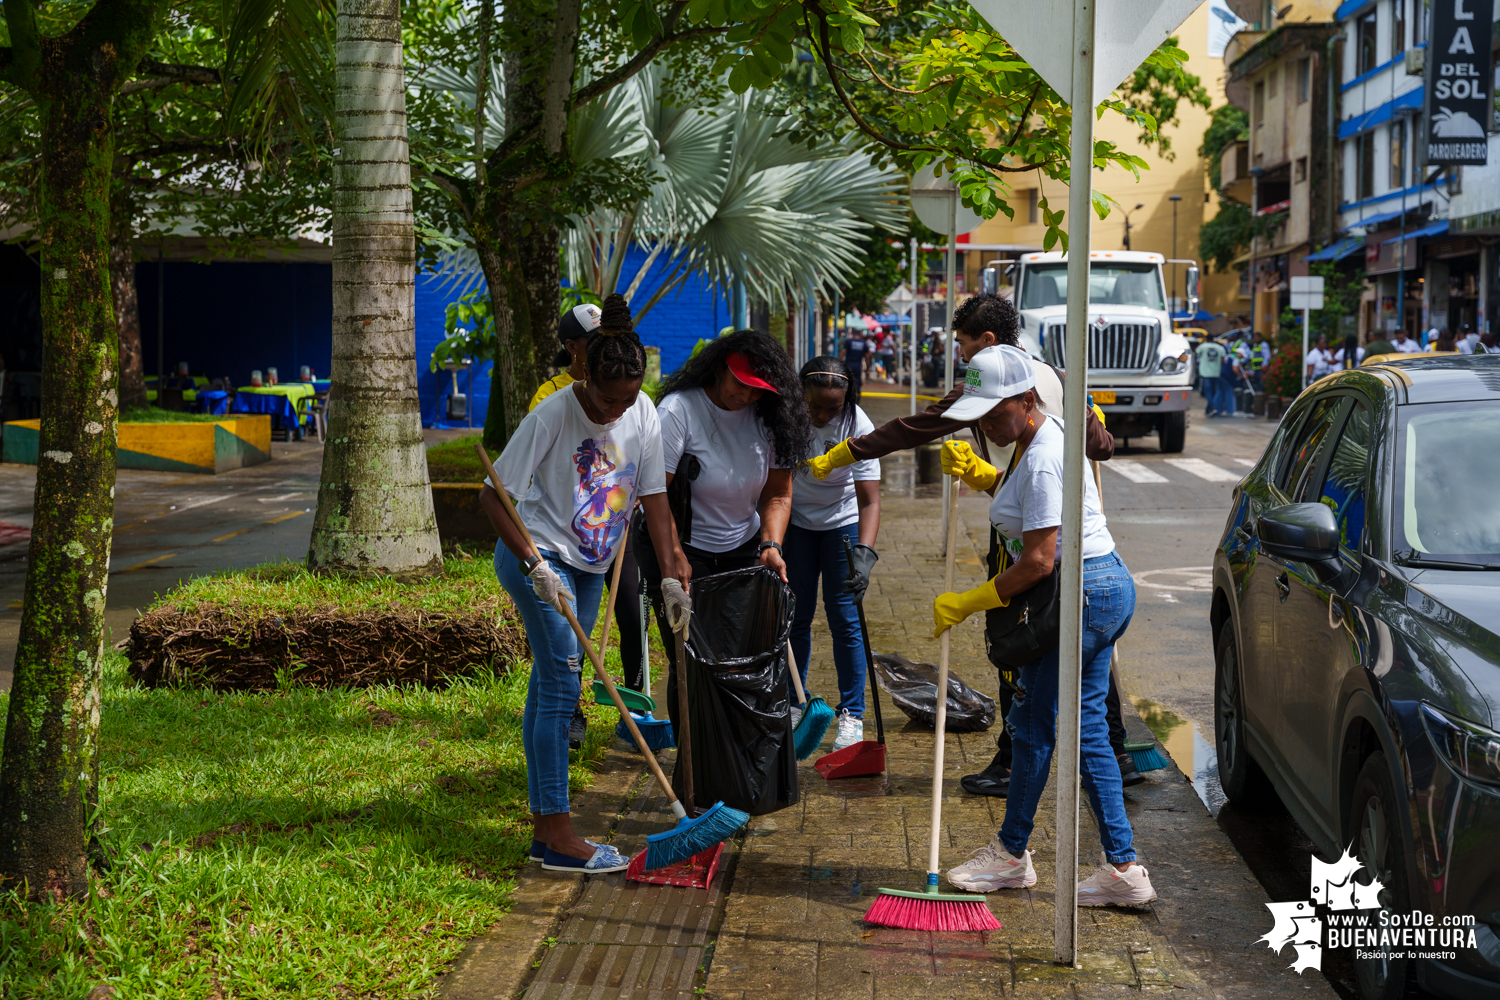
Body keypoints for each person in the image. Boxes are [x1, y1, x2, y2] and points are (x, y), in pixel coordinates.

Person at [805, 293, 1132, 798]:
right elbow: (1103, 449)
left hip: (1038, 544)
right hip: (1044, 528)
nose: (959, 355)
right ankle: (1116, 752)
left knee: (1021, 647)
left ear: (988, 342)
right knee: (1084, 651)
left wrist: (846, 453)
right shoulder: (1055, 379)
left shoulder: (994, 388)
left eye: (962, 344)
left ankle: (1017, 761)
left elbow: (912, 428)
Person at [936, 344, 1152, 904]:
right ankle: (1122, 868)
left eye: (994, 412)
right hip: (1098, 588)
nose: (985, 423)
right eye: (979, 415)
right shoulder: (1036, 436)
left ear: (1027, 399)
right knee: (1083, 729)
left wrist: (970, 601)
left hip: (1077, 595)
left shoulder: (1045, 452)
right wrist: (984, 476)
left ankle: (1012, 856)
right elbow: (1030, 507)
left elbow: (1039, 559)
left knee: (1035, 725)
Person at [481, 294, 689, 873]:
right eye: (605, 399)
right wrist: (535, 566)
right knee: (562, 685)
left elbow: (654, 498)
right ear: (585, 376)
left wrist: (672, 570)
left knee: (551, 684)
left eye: (625, 399)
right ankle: (559, 837)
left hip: (592, 564)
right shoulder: (552, 414)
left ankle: (544, 831)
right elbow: (492, 496)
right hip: (541, 556)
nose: (614, 412)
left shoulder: (644, 411)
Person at [635, 329, 811, 737]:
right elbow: (654, 492)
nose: (747, 397)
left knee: (738, 655)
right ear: (719, 369)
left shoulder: (771, 418)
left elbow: (779, 492)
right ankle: (694, 773)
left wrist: (771, 544)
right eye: (741, 385)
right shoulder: (679, 410)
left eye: (758, 390)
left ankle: (734, 753)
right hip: (678, 548)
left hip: (741, 549)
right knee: (690, 660)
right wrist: (673, 555)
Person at [784, 356, 881, 751]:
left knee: (845, 619)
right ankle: (794, 704)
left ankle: (852, 715)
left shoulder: (858, 425)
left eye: (832, 408)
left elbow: (870, 502)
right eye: (814, 406)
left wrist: (865, 551)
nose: (822, 415)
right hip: (795, 525)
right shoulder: (786, 419)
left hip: (841, 526)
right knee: (796, 618)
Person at [1195, 334, 1228, 416]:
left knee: (1208, 392)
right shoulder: (1220, 348)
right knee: (1213, 392)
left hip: (1205, 373)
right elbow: (1223, 361)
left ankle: (1213, 407)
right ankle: (1208, 409)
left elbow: (1196, 351)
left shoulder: (1203, 346)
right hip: (1216, 372)